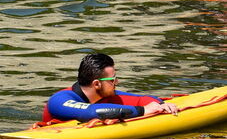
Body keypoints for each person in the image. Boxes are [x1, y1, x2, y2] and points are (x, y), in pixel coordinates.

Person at [42, 53, 179, 124]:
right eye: (113, 80)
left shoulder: (104, 96)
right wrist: (143, 111)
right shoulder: (59, 100)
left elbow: (139, 99)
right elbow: (93, 112)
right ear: (97, 84)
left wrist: (161, 104)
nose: (117, 82)